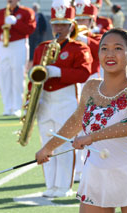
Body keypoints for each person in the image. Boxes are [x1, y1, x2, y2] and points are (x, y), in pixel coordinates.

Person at [35, 28, 127, 213]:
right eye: (104, 48)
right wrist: (48, 148)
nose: (110, 54)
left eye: (118, 49)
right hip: (95, 176)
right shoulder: (91, 88)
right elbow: (77, 120)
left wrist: (92, 137)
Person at [30, 0, 92, 198]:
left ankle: (64, 186)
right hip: (45, 100)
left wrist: (58, 72)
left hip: (65, 99)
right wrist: (31, 98)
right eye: (55, 24)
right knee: (46, 141)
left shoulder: (79, 48)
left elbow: (84, 73)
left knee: (64, 143)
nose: (58, 28)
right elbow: (33, 74)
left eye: (63, 24)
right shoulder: (42, 47)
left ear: (71, 26)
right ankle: (50, 185)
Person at [73, 0, 102, 182]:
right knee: (76, 123)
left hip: (93, 81)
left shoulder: (99, 37)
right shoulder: (71, 39)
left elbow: (101, 49)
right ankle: (77, 167)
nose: (82, 24)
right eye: (79, 19)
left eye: (85, 20)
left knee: (93, 123)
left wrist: (85, 39)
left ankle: (93, 165)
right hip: (75, 82)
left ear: (92, 22)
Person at [0, 0, 36, 116]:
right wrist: (0, 36)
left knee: (18, 75)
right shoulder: (0, 13)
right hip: (3, 45)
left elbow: (30, 29)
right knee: (3, 76)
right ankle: (7, 106)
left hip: (18, 44)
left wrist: (16, 22)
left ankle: (16, 107)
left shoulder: (26, 12)